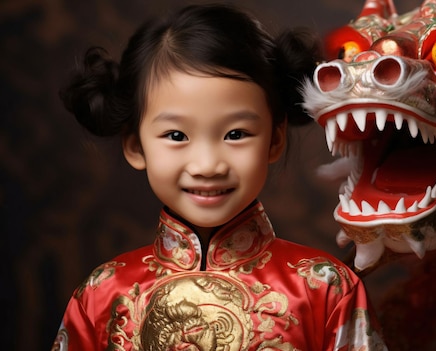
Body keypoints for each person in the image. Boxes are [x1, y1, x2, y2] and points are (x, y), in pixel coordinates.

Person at [51, 3, 387, 350]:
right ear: (136, 145)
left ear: (274, 138)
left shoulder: (325, 288)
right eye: (177, 136)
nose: (208, 165)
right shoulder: (102, 294)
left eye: (236, 134)